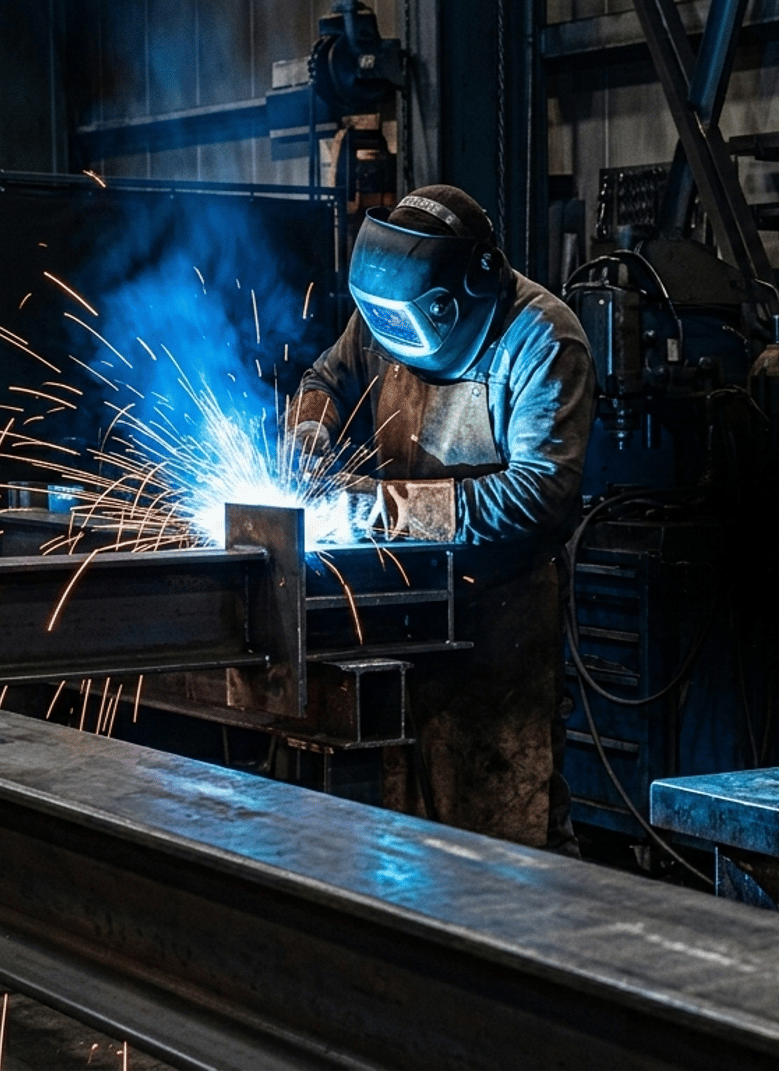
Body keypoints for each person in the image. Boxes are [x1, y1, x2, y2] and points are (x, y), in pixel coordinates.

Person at [287, 185, 593, 853]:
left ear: (467, 293)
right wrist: (309, 433)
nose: (391, 342)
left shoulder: (541, 339)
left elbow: (540, 494)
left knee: (508, 830)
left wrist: (376, 507)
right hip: (401, 609)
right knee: (403, 838)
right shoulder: (386, 309)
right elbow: (324, 378)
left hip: (498, 624)